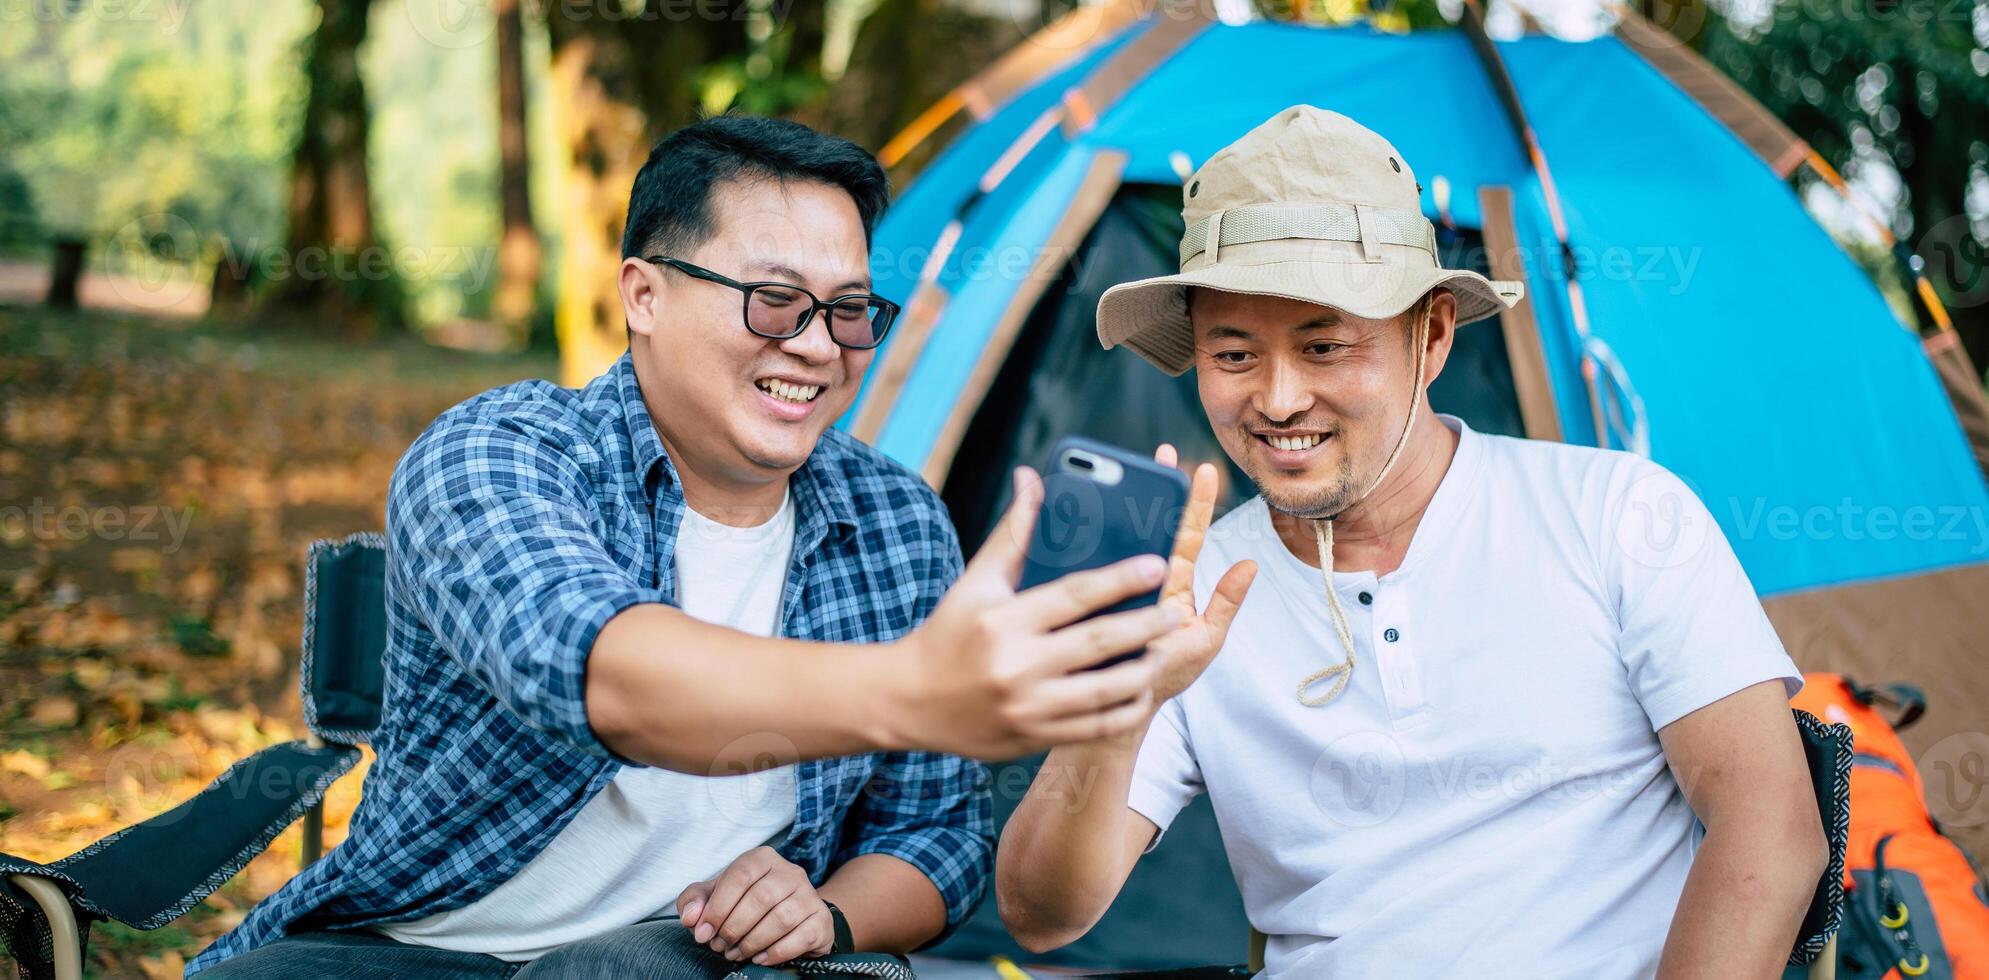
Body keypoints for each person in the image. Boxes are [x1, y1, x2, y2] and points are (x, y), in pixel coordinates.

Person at [190, 115, 1193, 978]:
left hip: (674, 956)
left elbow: (934, 834)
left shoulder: (892, 517)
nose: (816, 344)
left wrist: (830, 912)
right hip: (408, 946)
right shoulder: (495, 454)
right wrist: (918, 686)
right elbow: (597, 671)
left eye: (849, 311)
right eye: (773, 298)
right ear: (645, 294)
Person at [996, 106, 1827, 979]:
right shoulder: (1190, 591)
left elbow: (1771, 832)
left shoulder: (1619, 515)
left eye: (1324, 346)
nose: (1277, 400)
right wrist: (1116, 709)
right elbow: (1039, 914)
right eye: (1233, 356)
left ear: (1430, 337)